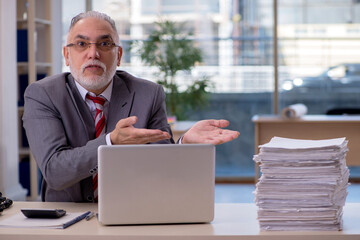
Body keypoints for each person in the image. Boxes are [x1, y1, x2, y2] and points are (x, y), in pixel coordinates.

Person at [22, 11, 240, 202]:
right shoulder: (43, 95)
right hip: (66, 217)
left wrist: (185, 143)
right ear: (66, 55)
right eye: (81, 44)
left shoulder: (149, 93)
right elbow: (55, 171)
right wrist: (110, 142)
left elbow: (162, 165)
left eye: (104, 44)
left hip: (133, 210)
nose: (93, 53)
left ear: (118, 55)